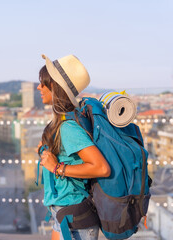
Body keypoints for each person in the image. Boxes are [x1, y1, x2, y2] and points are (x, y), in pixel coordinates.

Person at [37, 54, 111, 240]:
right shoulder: (63, 122)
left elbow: (101, 168)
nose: (39, 87)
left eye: (43, 83)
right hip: (63, 214)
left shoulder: (68, 127)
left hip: (74, 218)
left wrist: (56, 167)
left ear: (54, 86)